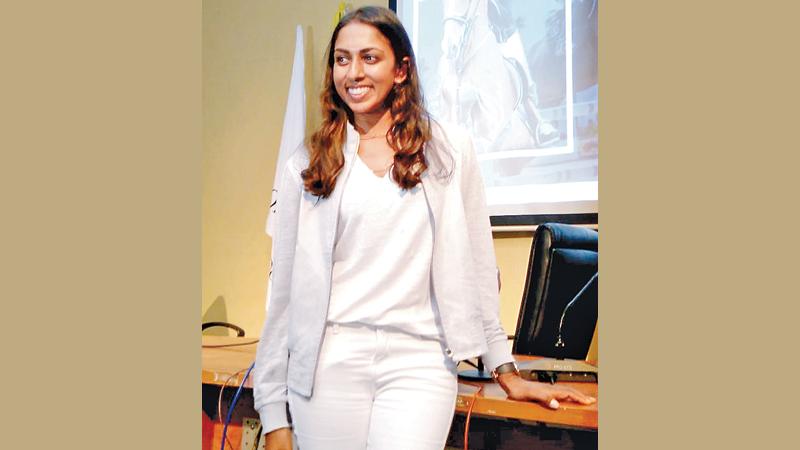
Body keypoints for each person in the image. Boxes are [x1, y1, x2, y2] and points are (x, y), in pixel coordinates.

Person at [253, 6, 595, 450]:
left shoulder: (449, 151)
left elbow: (476, 265)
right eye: (341, 59)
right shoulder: (307, 163)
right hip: (328, 363)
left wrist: (504, 369)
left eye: (369, 58)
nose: (352, 72)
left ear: (402, 69)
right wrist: (273, 410)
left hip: (419, 363)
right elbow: (283, 296)